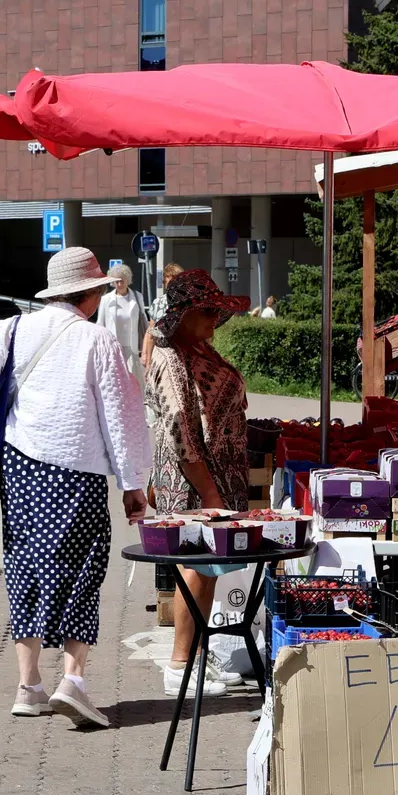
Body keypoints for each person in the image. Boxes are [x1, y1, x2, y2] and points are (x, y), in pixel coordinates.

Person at [0, 247, 151, 728]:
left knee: (23, 568)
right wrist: (133, 484)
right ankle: (73, 681)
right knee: (82, 570)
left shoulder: (12, 329)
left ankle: (29, 687)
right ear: (89, 293)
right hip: (79, 473)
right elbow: (121, 417)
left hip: (20, 470)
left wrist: (7, 419)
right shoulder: (97, 340)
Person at [146, 269, 253, 697]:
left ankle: (199, 658)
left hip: (213, 478)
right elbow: (183, 433)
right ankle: (179, 665)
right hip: (193, 483)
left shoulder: (196, 350)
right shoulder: (170, 359)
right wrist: (210, 491)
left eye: (216, 311)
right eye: (206, 312)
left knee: (207, 571)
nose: (214, 319)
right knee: (194, 567)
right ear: (183, 315)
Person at [94, 262, 147, 378]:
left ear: (127, 280)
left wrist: (145, 349)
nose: (119, 284)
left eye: (121, 280)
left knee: (133, 381)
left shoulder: (137, 297)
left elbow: (144, 323)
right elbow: (100, 324)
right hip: (112, 348)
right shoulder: (106, 299)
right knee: (115, 380)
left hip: (132, 348)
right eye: (116, 281)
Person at [141, 262, 185, 370]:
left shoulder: (189, 302)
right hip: (162, 359)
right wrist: (147, 360)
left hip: (184, 357)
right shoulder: (158, 303)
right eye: (169, 281)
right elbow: (151, 333)